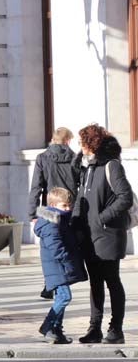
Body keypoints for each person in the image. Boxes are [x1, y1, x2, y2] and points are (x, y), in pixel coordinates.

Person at [73, 123, 131, 345]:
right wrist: (75, 223)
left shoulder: (111, 166)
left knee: (112, 281)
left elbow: (124, 197)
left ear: (91, 144)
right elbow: (81, 198)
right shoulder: (88, 168)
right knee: (95, 283)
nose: (79, 146)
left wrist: (102, 218)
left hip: (108, 235)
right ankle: (94, 328)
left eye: (81, 142)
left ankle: (116, 329)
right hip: (89, 235)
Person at [28, 127, 79, 299]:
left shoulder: (42, 158)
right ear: (67, 140)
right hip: (68, 208)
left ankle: (50, 284)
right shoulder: (74, 158)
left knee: (49, 246)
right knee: (66, 243)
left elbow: (36, 187)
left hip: (49, 209)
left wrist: (33, 214)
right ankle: (64, 280)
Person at [34, 187, 87, 344]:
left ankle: (57, 330)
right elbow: (56, 247)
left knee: (61, 297)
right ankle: (48, 325)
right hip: (57, 266)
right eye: (64, 206)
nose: (68, 209)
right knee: (65, 297)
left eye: (69, 205)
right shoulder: (51, 223)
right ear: (52, 205)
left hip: (57, 267)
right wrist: (68, 262)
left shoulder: (58, 220)